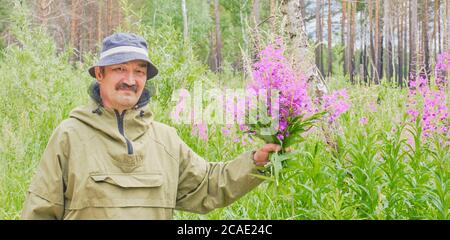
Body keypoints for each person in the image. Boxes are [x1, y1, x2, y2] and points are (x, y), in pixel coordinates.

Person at [21, 33, 281, 220]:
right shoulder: (70, 135)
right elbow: (40, 211)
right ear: (99, 74)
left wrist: (256, 162)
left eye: (139, 71)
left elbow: (209, 186)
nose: (130, 80)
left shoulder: (165, 140)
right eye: (120, 69)